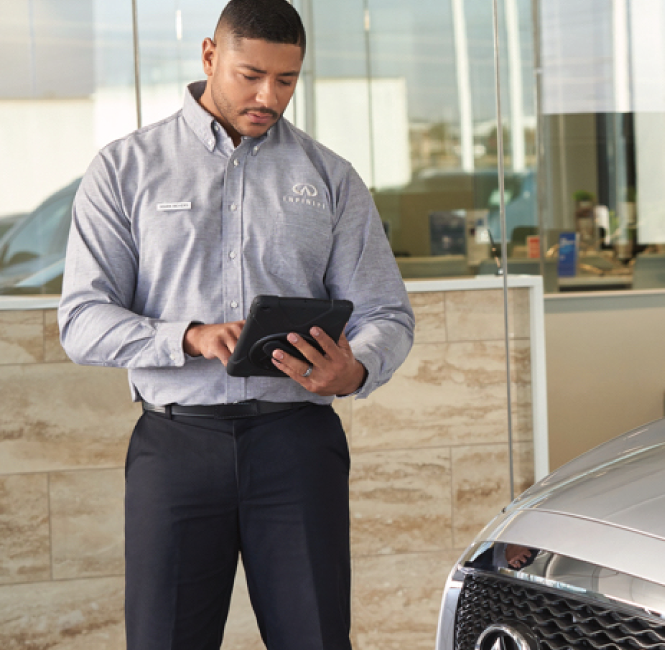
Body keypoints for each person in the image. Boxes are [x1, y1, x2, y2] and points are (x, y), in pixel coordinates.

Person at [56, 1, 414, 648]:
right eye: (250, 75)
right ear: (208, 56)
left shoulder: (330, 178)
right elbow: (81, 321)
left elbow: (386, 312)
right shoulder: (124, 170)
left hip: (298, 447)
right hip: (176, 449)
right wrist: (187, 336)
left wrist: (355, 367)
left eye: (286, 80)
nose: (267, 96)